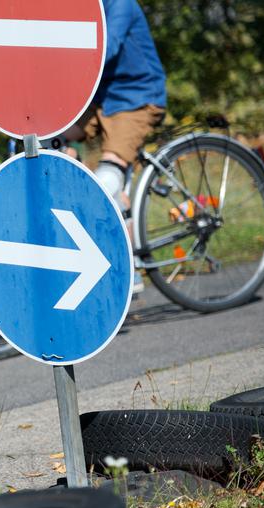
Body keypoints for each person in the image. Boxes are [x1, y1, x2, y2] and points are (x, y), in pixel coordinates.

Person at [62, 0, 166, 293]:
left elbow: (105, 49)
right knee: (50, 140)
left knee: (108, 180)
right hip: (100, 99)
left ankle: (128, 268)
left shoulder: (121, 4)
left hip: (137, 98)